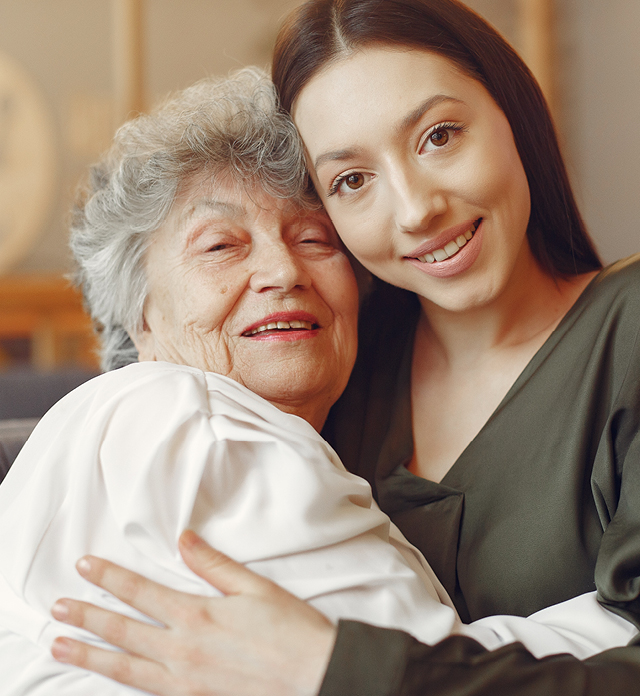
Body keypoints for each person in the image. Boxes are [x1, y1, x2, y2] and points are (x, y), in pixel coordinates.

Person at [47, 1, 640, 694]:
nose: (417, 210)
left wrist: (331, 670)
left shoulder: (622, 334)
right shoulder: (329, 368)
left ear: (514, 112)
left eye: (440, 135)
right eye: (352, 181)